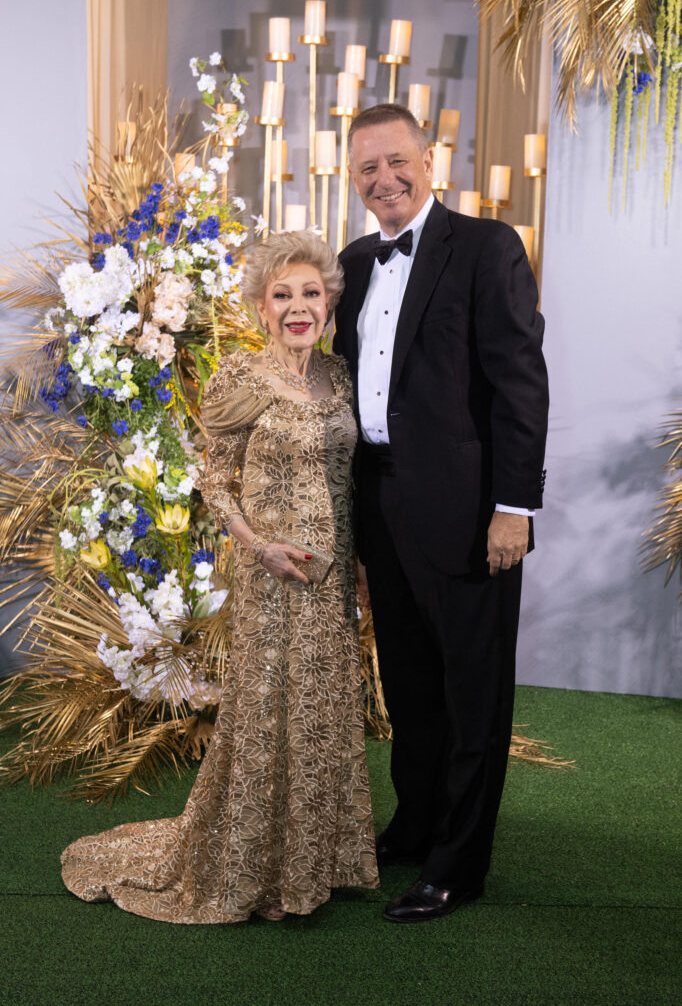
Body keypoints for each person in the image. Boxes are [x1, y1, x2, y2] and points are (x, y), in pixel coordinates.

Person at [61, 230, 379, 923]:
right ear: (262, 307)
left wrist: (356, 564)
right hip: (272, 574)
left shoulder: (340, 377)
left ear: (329, 303)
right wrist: (256, 545)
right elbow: (213, 474)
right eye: (282, 295)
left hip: (329, 581)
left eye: (310, 294)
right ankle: (246, 868)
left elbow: (350, 480)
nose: (298, 307)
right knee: (267, 715)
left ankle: (312, 865)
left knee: (323, 713)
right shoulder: (240, 378)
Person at [333, 103, 549, 923]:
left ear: (431, 159)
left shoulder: (488, 248)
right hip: (383, 506)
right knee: (412, 685)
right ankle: (417, 823)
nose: (384, 179)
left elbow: (522, 387)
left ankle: (459, 864)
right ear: (352, 179)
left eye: (397, 161)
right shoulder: (354, 260)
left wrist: (513, 509)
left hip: (469, 514)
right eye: (366, 169)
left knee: (472, 694)